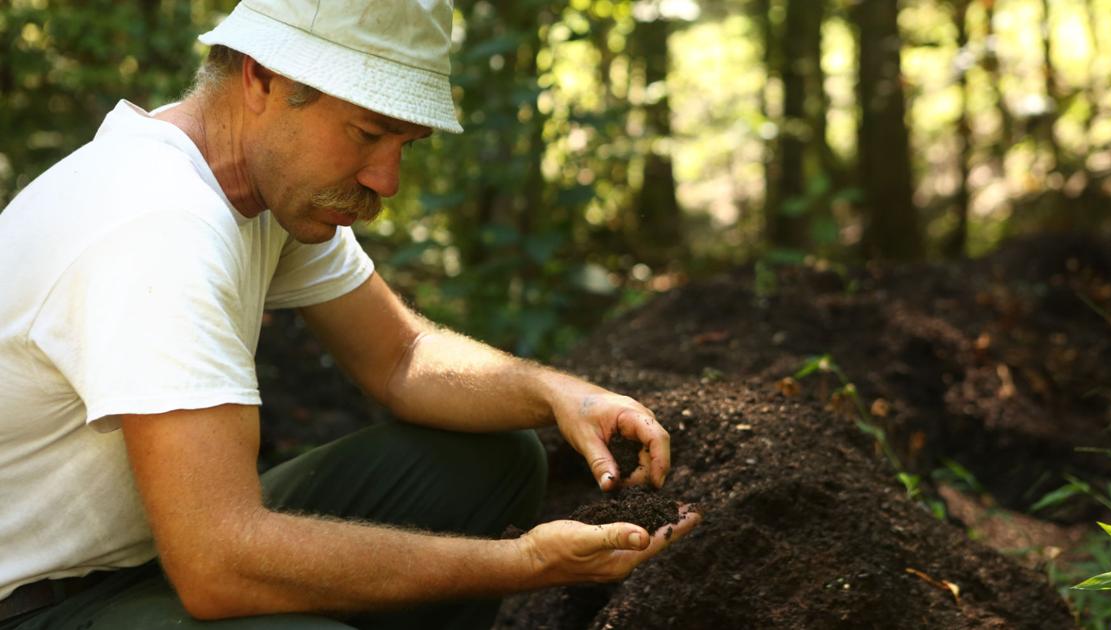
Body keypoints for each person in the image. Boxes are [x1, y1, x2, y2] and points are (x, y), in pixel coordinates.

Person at [0, 1, 699, 628]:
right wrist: (522, 564)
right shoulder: (157, 225)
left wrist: (558, 393)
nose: (386, 181)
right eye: (367, 134)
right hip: (39, 599)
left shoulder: (264, 192)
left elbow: (400, 357)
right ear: (261, 78)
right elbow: (217, 567)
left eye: (405, 146)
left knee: (493, 460)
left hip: (152, 549)